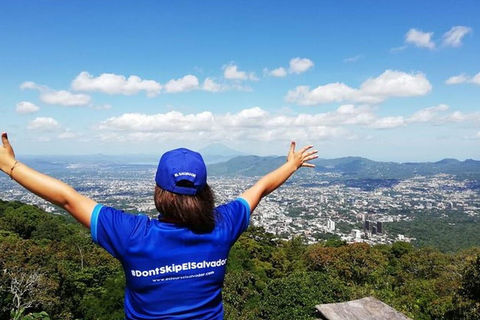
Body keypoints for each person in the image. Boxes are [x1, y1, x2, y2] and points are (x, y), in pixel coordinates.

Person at [0, 132, 317, 320]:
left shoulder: (132, 235)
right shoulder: (221, 226)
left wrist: (9, 165)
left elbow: (67, 199)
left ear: (159, 193)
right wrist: (291, 165)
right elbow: (259, 188)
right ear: (205, 191)